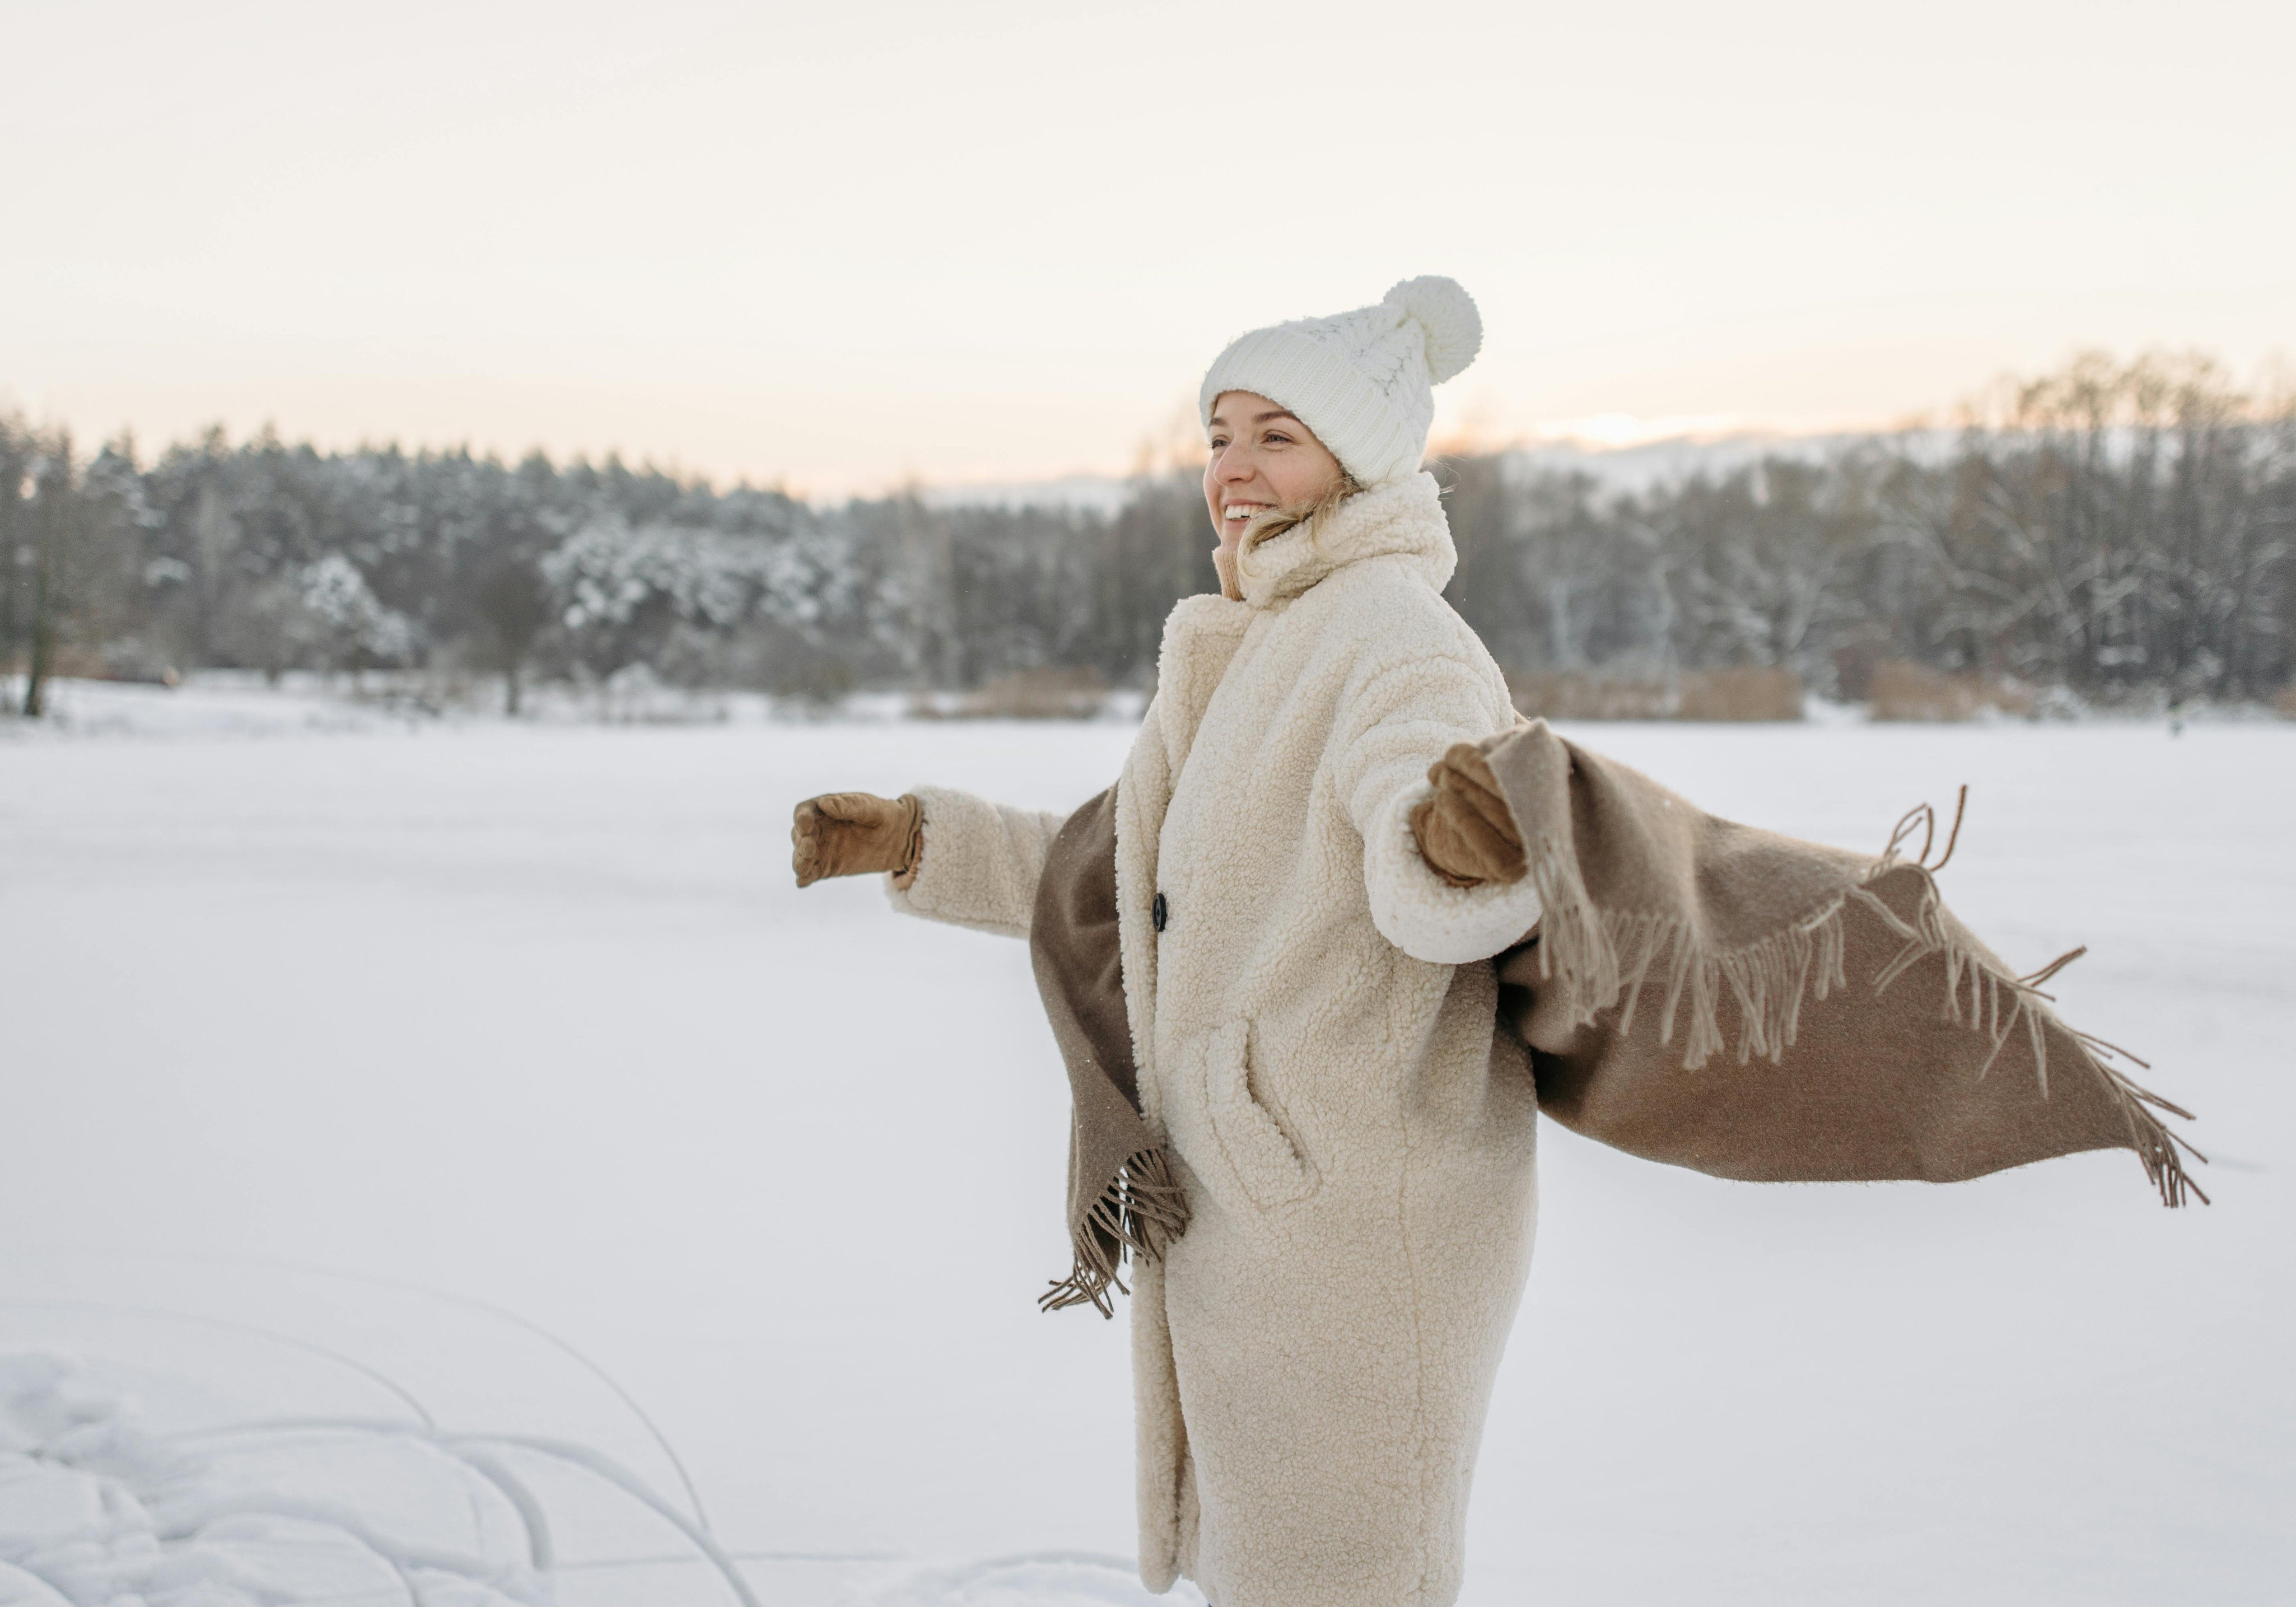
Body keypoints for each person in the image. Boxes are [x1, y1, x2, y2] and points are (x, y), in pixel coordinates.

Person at [792, 278, 1543, 1607]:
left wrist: (1456, 842)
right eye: (1217, 435)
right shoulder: (1256, 642)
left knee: (1350, 1579)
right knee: (1271, 1571)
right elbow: (1128, 880)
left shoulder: (1390, 638)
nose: (1234, 469)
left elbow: (1433, 828)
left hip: (1361, 1217)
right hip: (1260, 1205)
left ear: (1355, 460)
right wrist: (919, 838)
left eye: (1275, 435)